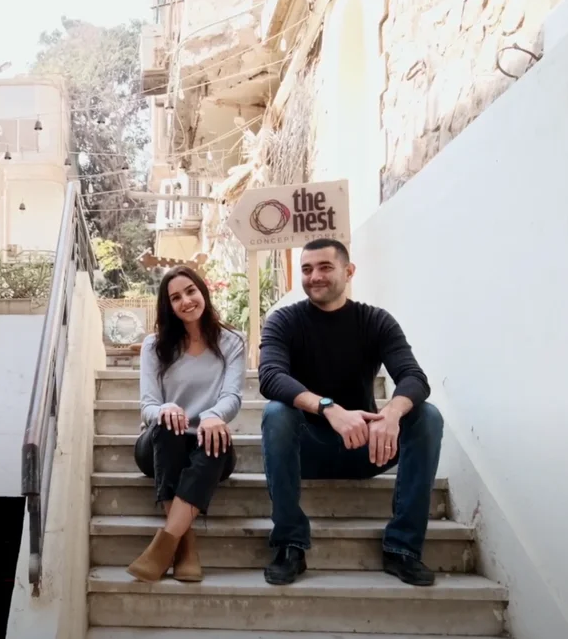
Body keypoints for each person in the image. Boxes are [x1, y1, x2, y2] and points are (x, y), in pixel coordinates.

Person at [258, 238, 444, 587]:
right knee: (276, 413)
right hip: (306, 451)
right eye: (307, 269)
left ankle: (402, 548)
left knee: (427, 416)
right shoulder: (284, 321)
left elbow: (414, 377)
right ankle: (289, 544)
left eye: (325, 267)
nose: (315, 276)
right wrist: (328, 408)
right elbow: (270, 376)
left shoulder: (375, 321)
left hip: (365, 448)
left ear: (348, 271)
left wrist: (391, 414)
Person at [128, 266, 246, 583]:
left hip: (209, 446)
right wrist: (164, 409)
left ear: (202, 292)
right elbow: (147, 405)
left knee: (214, 437)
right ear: (169, 306)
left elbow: (232, 396)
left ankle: (167, 545)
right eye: (176, 297)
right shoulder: (154, 345)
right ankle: (185, 546)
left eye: (190, 291)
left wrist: (212, 416)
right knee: (169, 427)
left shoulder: (232, 341)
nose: (186, 301)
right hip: (159, 444)